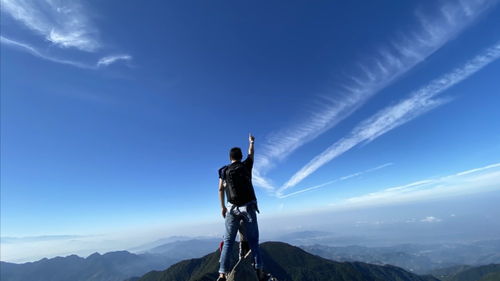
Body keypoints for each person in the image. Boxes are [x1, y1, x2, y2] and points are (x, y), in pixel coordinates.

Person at [217, 134, 265, 281]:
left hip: (232, 208)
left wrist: (223, 207)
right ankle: (259, 269)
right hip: (248, 207)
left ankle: (222, 273)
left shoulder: (224, 170)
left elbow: (220, 189)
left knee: (228, 242)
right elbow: (251, 153)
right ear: (241, 156)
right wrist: (251, 142)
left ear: (230, 157)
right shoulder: (246, 165)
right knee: (254, 241)